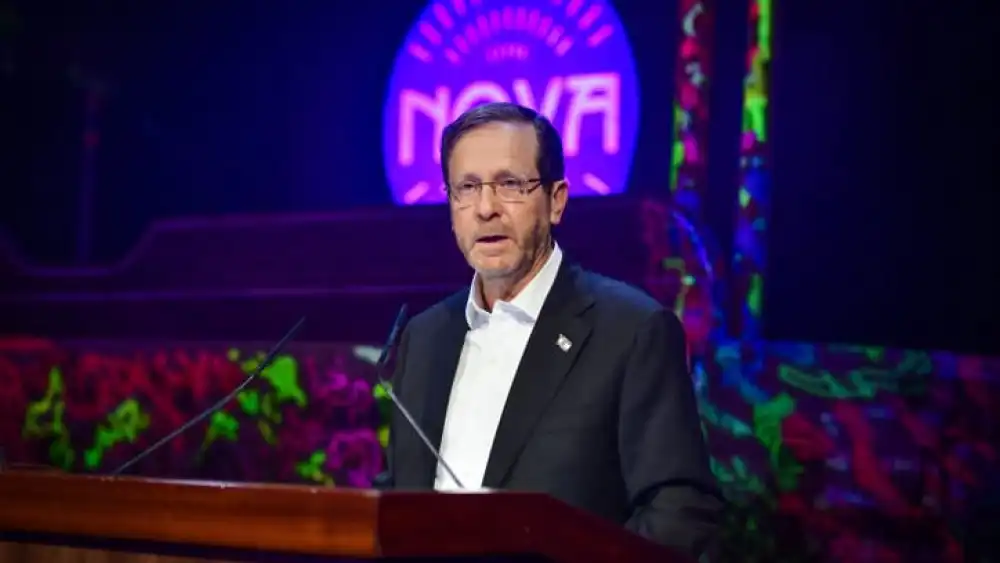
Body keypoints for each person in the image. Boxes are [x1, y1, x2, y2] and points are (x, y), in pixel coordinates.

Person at [380, 102, 722, 557]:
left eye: (510, 185)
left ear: (556, 200)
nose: (486, 208)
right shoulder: (423, 337)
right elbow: (396, 500)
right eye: (467, 187)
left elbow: (680, 512)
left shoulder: (631, 330)